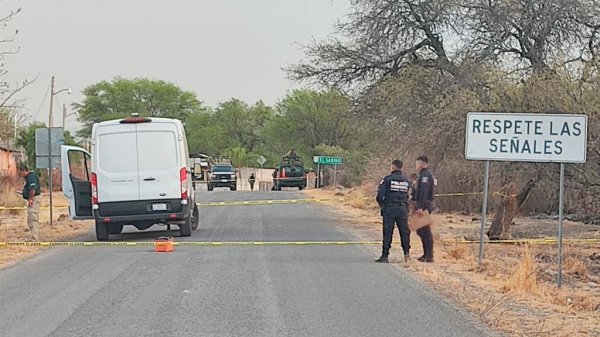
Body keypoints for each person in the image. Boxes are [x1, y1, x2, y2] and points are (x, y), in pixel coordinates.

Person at [375, 160, 411, 263]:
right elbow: (411, 195)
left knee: (388, 232)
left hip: (390, 208)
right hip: (403, 209)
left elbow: (380, 196)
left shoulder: (387, 180)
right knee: (404, 232)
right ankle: (406, 254)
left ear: (392, 167)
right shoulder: (406, 181)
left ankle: (385, 255)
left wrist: (382, 205)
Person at [414, 156, 435, 263]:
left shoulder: (425, 176)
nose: (416, 166)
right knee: (420, 230)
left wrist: (421, 207)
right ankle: (425, 253)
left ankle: (429, 255)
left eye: (417, 164)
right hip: (423, 204)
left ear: (422, 164)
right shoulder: (423, 175)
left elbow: (424, 192)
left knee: (425, 230)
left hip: (425, 205)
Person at [19, 164, 41, 242]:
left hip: (34, 199)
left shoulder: (31, 177)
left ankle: (35, 239)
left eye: (21, 173)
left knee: (33, 218)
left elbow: (33, 189)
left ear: (25, 171)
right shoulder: (29, 177)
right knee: (30, 219)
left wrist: (30, 199)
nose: (21, 175)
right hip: (32, 198)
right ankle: (33, 237)